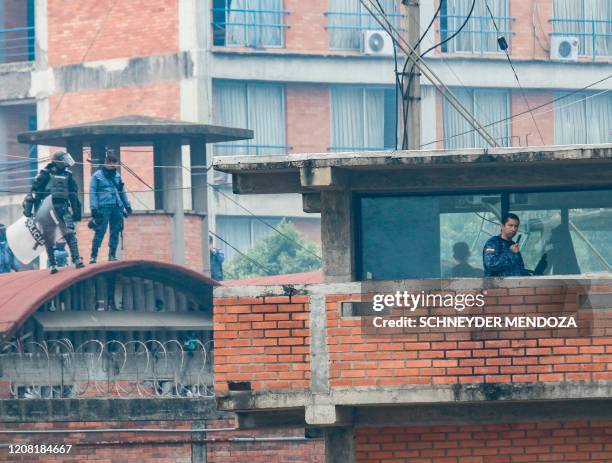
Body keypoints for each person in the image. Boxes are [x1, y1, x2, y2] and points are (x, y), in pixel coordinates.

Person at [22, 150, 84, 274]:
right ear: (58, 161)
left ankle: (76, 259)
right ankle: (53, 264)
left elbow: (73, 195)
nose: (66, 163)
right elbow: (33, 194)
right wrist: (30, 212)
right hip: (46, 208)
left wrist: (77, 213)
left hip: (62, 206)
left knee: (70, 233)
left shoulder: (69, 176)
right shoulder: (45, 174)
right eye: (64, 160)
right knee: (48, 236)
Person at [89, 152, 132, 263]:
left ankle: (112, 254)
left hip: (117, 207)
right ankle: (93, 256)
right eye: (111, 163)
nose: (113, 166)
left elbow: (122, 191)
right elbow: (92, 192)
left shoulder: (117, 175)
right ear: (106, 163)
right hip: (103, 207)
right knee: (100, 231)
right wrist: (93, 208)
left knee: (115, 231)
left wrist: (127, 206)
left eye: (115, 164)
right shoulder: (97, 175)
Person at [482, 213, 527, 277]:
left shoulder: (513, 245)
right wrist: (510, 252)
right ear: (502, 226)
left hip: (516, 284)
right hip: (497, 285)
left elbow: (520, 267)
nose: (513, 229)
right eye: (510, 225)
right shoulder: (493, 243)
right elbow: (491, 264)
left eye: (516, 226)